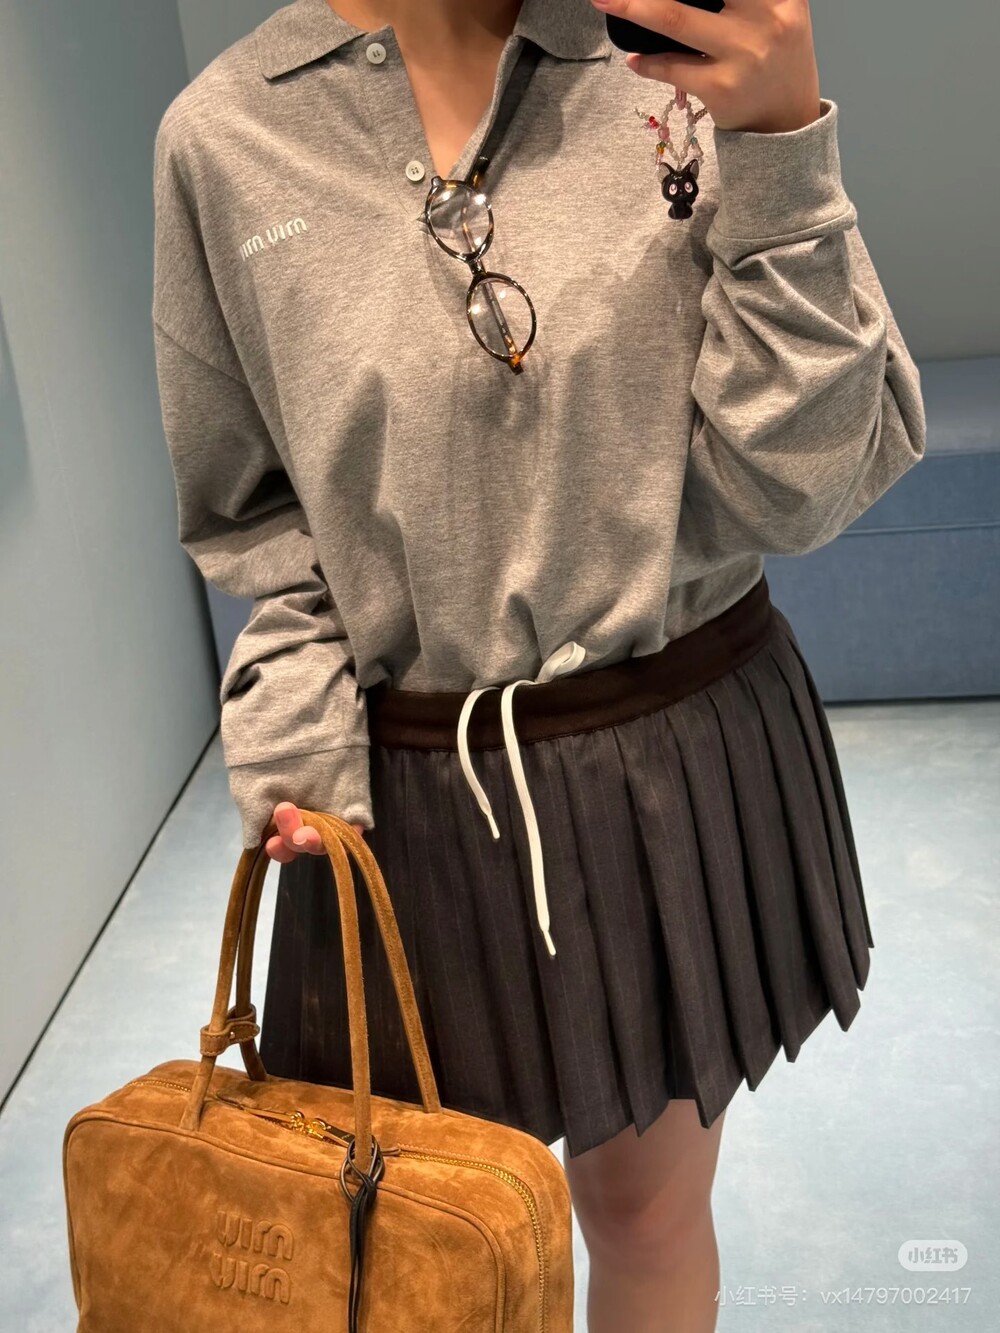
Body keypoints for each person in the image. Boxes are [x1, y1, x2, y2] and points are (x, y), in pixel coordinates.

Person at [150, 0, 926, 1328]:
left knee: (646, 1214)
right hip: (400, 793)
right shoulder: (227, 137)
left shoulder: (681, 65)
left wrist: (780, 144)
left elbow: (795, 489)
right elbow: (253, 510)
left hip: (666, 747)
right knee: (414, 1247)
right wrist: (294, 734)